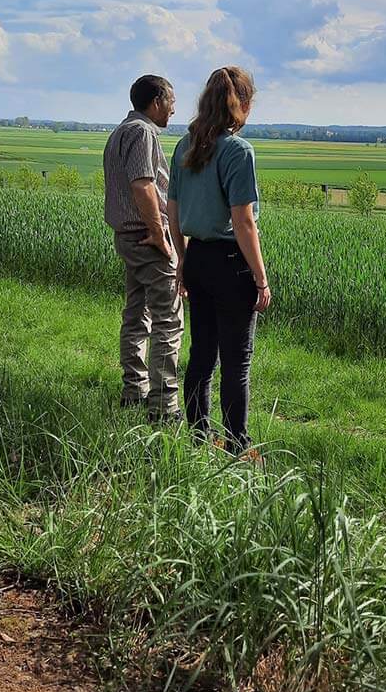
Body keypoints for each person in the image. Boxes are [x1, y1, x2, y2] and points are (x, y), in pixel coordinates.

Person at [167, 66, 271, 453]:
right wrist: (260, 278)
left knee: (202, 354)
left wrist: (181, 260)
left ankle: (197, 437)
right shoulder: (237, 150)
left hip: (197, 259)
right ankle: (237, 446)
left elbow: (171, 210)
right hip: (231, 263)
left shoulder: (185, 145)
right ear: (241, 104)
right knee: (236, 361)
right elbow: (244, 221)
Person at [102, 75, 183, 421]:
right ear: (156, 101)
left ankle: (135, 390)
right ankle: (164, 408)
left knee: (137, 314)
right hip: (146, 237)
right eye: (171, 100)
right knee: (168, 319)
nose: (174, 108)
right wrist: (160, 234)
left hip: (127, 237)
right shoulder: (144, 132)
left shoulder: (122, 129)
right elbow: (143, 185)